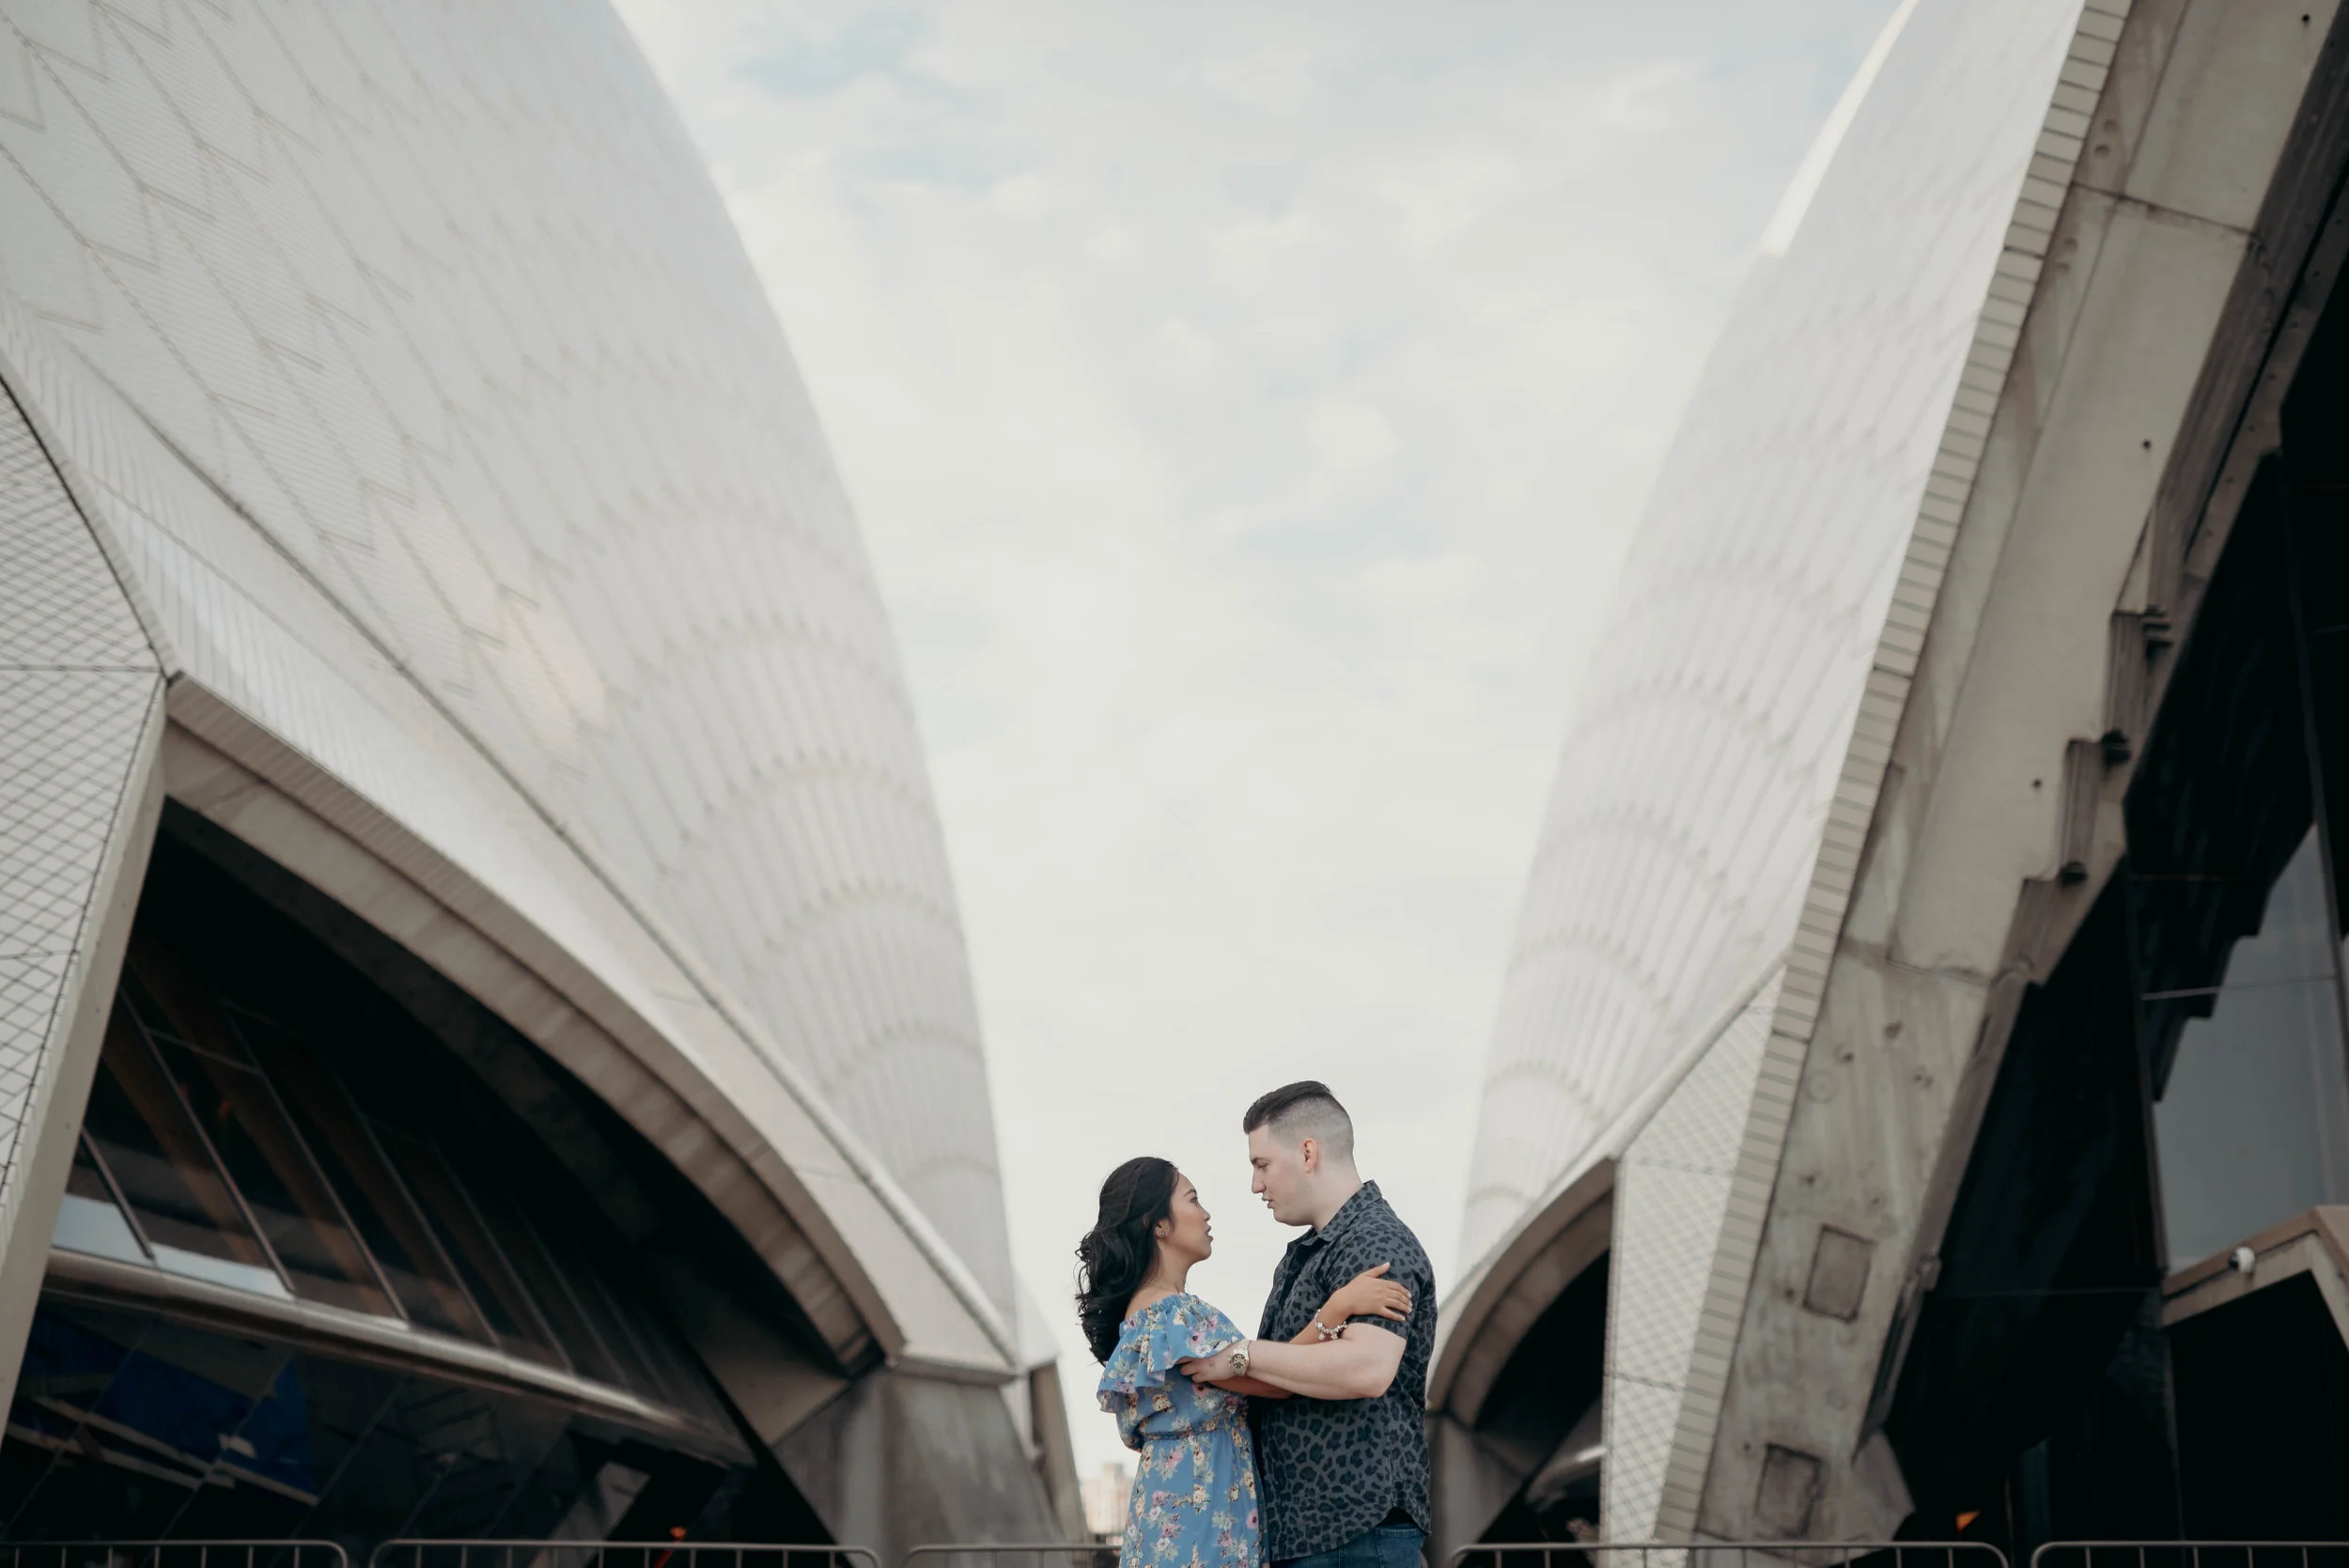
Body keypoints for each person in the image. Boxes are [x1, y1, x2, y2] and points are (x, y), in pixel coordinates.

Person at [1080, 1157, 1415, 1568]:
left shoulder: (1145, 1316)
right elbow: (1276, 1379)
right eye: (1193, 1199)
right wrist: (1337, 1308)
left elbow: (1254, 1367)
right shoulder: (1179, 1316)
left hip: (1168, 1508)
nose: (1206, 1214)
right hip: (1202, 1518)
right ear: (1158, 1223)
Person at [1175, 1083, 1437, 1568]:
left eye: (1262, 1164)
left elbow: (1366, 1369)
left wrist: (1243, 1354)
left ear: (1308, 1153)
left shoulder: (1376, 1242)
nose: (1256, 1185)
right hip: (1315, 1536)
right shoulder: (1308, 1253)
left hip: (1353, 1532)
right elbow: (1284, 1376)